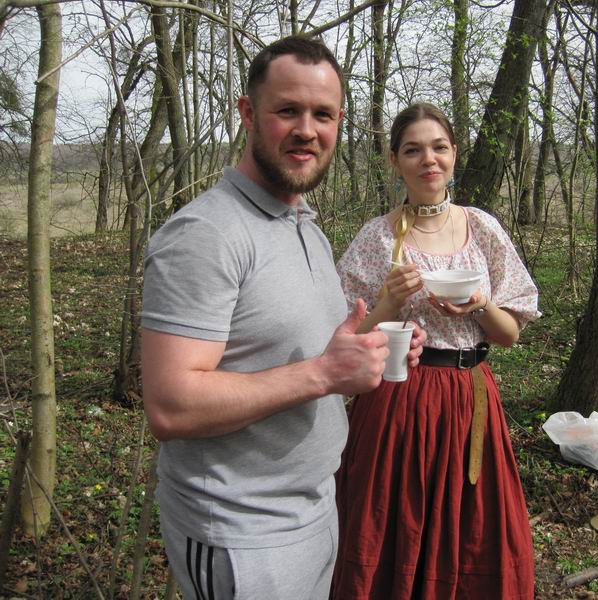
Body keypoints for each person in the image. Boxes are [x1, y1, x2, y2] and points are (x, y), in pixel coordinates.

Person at [140, 36, 424, 600]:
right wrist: (324, 374)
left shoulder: (306, 228)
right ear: (248, 113)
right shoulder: (206, 235)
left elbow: (307, 354)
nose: (306, 130)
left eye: (323, 115)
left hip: (315, 508)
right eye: (287, 110)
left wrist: (370, 346)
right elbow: (171, 406)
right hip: (241, 533)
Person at [331, 102, 539, 599]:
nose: (429, 159)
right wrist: (390, 302)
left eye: (439, 147)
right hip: (397, 403)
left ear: (454, 154)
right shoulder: (377, 237)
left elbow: (509, 334)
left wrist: (479, 305)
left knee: (473, 531)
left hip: (470, 402)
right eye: (413, 150)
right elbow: (343, 338)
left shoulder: (482, 228)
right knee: (391, 524)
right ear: (394, 161)